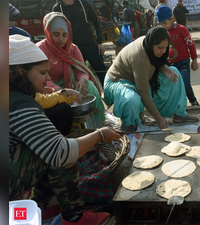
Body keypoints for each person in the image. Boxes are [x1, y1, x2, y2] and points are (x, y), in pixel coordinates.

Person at [9, 34, 122, 224]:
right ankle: (75, 217)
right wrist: (99, 135)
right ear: (21, 71)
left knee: (49, 142)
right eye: (43, 73)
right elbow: (60, 152)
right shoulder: (18, 103)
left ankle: (38, 207)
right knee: (61, 150)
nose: (47, 78)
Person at [104, 27, 198, 132]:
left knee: (173, 72)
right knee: (132, 100)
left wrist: (164, 68)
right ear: (151, 44)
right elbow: (143, 92)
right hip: (117, 81)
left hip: (138, 78)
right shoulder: (140, 58)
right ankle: (129, 124)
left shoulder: (150, 45)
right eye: (160, 48)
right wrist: (158, 118)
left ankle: (179, 114)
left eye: (165, 48)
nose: (163, 51)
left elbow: (155, 62)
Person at [36, 12, 105, 123]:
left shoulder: (73, 48)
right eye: (56, 34)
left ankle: (98, 122)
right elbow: (39, 77)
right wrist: (61, 92)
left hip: (70, 82)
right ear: (48, 33)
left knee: (89, 86)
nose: (61, 39)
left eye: (64, 35)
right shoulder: (40, 49)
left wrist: (82, 80)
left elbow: (81, 70)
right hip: (48, 86)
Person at [53, 0, 107, 86]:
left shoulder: (84, 4)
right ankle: (87, 97)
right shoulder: (57, 8)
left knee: (101, 71)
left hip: (89, 44)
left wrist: (99, 42)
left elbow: (96, 22)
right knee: (78, 76)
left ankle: (109, 94)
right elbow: (55, 29)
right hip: (71, 48)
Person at [156, 5, 199, 106]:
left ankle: (193, 102)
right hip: (169, 65)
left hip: (183, 62)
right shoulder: (161, 33)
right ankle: (178, 105)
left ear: (171, 19)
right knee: (173, 87)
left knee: (186, 85)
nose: (163, 26)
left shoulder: (181, 29)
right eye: (160, 24)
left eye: (164, 23)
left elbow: (191, 45)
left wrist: (195, 60)